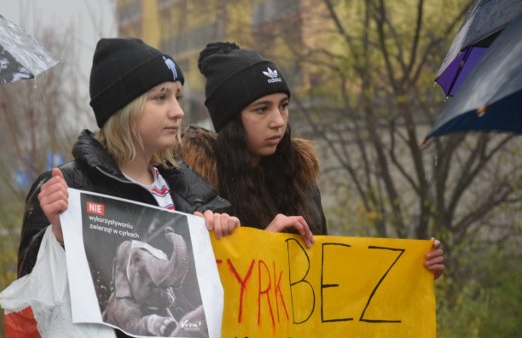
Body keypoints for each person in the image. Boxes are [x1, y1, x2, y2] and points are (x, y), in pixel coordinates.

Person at [17, 38, 240, 338]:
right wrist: (56, 232)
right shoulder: (69, 184)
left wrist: (250, 234)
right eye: (160, 98)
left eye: (178, 96)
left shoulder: (183, 184)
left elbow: (228, 258)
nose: (177, 111)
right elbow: (30, 284)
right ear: (124, 108)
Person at [180, 41, 445, 278]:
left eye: (283, 105)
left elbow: (327, 276)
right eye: (262, 109)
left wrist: (410, 272)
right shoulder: (195, 191)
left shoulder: (298, 178)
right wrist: (265, 244)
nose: (279, 121)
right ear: (230, 120)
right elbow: (188, 290)